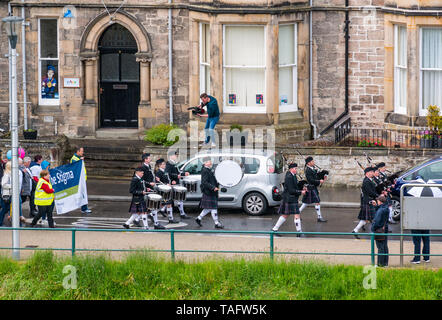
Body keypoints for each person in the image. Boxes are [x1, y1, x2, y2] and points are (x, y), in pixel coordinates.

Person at [272, 163, 307, 237]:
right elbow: (291, 190)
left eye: (296, 168)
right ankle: (299, 232)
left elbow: (295, 186)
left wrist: (301, 188)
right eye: (295, 168)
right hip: (289, 198)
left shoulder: (293, 175)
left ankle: (274, 229)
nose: (296, 170)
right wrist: (301, 192)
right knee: (296, 214)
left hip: (291, 198)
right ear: (291, 169)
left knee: (285, 215)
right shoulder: (289, 177)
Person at [195, 157, 223, 229]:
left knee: (208, 208)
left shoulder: (208, 170)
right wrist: (213, 188)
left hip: (211, 191)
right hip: (209, 191)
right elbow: (204, 182)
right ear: (205, 163)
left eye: (210, 161)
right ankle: (217, 223)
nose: (210, 162)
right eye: (208, 161)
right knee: (213, 207)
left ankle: (198, 218)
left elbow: (212, 180)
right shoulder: (205, 170)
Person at [298, 156, 327, 222]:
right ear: (308, 163)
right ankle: (319, 217)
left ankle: (298, 212)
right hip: (311, 187)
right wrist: (319, 181)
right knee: (316, 202)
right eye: (312, 161)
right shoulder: (308, 170)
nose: (313, 162)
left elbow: (316, 176)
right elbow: (310, 180)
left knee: (306, 203)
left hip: (313, 187)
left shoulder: (312, 168)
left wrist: (322, 175)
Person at [352, 167, 378, 239]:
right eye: (371, 172)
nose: (373, 173)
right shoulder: (366, 181)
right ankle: (374, 233)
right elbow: (370, 192)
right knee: (373, 218)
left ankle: (355, 230)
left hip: (369, 200)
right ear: (367, 173)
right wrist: (377, 196)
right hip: (368, 201)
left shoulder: (370, 180)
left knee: (365, 219)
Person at [166, 150, 190, 220]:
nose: (176, 156)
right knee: (170, 201)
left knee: (179, 199)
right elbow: (168, 173)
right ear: (171, 156)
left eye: (177, 155)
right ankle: (179, 214)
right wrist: (176, 176)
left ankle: (182, 213)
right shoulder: (169, 164)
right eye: (175, 155)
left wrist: (183, 174)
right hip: (172, 183)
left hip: (176, 183)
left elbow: (178, 173)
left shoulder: (174, 163)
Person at [155, 158, 177, 224]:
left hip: (167, 190)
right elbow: (157, 183)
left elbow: (168, 179)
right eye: (163, 164)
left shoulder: (165, 171)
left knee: (169, 204)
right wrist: (166, 184)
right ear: (159, 165)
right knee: (161, 205)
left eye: (165, 164)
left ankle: (171, 219)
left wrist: (172, 182)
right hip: (163, 191)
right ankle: (150, 214)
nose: (165, 165)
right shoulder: (158, 172)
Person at [70, 146, 91, 214]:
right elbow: (75, 167)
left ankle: (84, 208)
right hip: (79, 179)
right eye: (81, 151)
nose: (83, 152)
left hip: (81, 179)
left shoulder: (78, 158)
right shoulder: (74, 159)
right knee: (82, 194)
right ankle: (84, 208)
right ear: (78, 151)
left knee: (82, 194)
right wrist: (80, 160)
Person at [371, 195, 390, 267]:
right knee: (384, 246)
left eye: (378, 201)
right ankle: (385, 263)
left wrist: (372, 228)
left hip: (379, 230)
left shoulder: (381, 210)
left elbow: (377, 221)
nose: (377, 201)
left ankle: (380, 264)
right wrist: (376, 206)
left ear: (380, 201)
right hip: (385, 229)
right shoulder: (386, 208)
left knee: (380, 247)